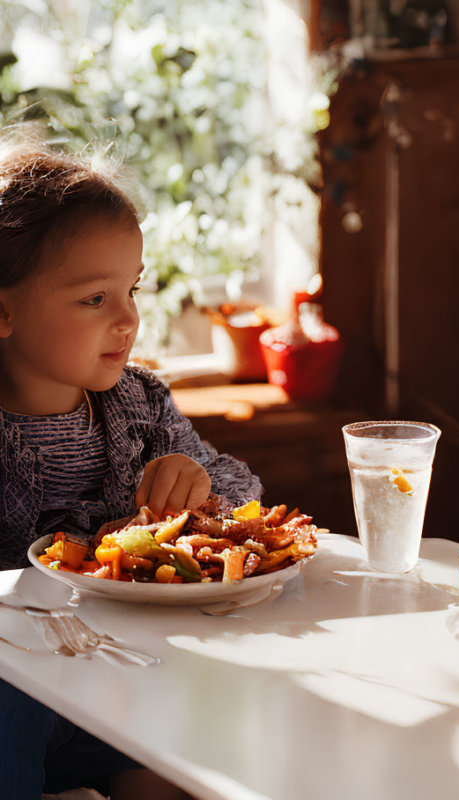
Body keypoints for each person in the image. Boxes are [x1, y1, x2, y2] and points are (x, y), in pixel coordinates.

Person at [0, 130, 262, 797]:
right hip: (21, 689)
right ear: (3, 311)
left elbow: (243, 491)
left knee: (219, 724)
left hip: (130, 679)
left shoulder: (141, 406)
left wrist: (199, 486)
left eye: (133, 291)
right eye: (94, 299)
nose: (127, 320)